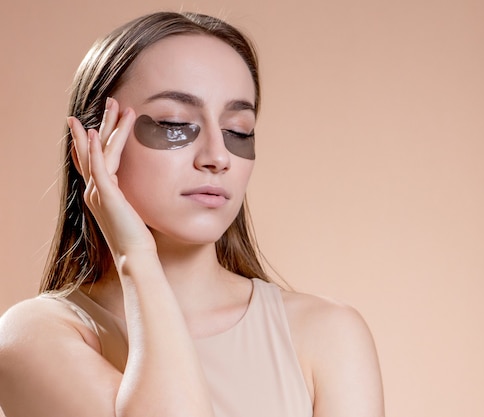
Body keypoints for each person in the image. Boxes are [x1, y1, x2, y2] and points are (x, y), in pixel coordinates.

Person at [0, 11, 384, 417]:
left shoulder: (328, 333)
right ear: (94, 143)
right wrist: (135, 255)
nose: (218, 157)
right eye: (174, 123)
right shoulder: (35, 335)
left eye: (238, 129)